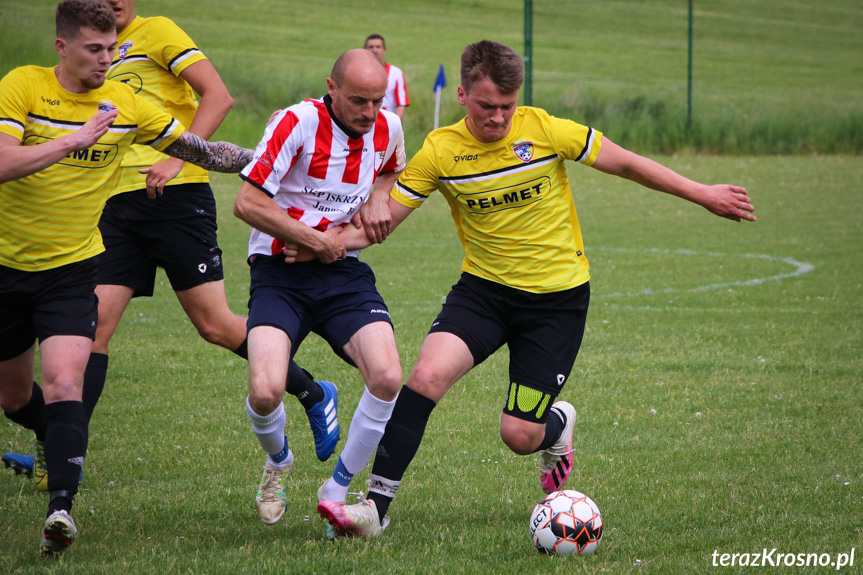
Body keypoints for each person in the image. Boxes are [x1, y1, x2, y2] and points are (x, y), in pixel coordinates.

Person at [316, 39, 757, 537]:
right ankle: (375, 510)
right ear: (461, 95)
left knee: (519, 435)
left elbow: (628, 163)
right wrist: (314, 242)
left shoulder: (545, 130)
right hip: (483, 292)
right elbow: (383, 221)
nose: (498, 118)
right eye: (486, 106)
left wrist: (703, 194)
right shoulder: (440, 150)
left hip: (557, 302)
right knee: (423, 378)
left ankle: (557, 427)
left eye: (507, 106)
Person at [2, 0, 340, 490]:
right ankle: (61, 452)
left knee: (215, 325)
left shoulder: (157, 31)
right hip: (115, 202)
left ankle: (311, 390)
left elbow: (217, 98)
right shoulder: (72, 61)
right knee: (93, 332)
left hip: (175, 197)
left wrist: (182, 162)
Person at [0, 0, 254, 555]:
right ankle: (54, 436)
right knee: (15, 397)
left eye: (113, 48)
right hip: (8, 269)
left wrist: (270, 162)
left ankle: (60, 511)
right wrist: (75, 139)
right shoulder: (22, 86)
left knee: (68, 381)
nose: (107, 60)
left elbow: (200, 150)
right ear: (63, 47)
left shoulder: (126, 102)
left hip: (73, 268)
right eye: (95, 49)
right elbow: (2, 163)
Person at [232, 48, 406, 529]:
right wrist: (314, 241)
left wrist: (378, 193)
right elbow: (246, 203)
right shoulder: (296, 123)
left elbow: (392, 167)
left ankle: (338, 487)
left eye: (376, 100)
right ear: (331, 88)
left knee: (388, 376)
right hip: (278, 272)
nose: (369, 113)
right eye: (357, 101)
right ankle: (278, 463)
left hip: (343, 276)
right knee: (266, 391)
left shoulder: (389, 127)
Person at [364, 34, 410, 120]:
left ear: (384, 50)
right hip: (363, 125)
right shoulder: (357, 72)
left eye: (378, 47)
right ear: (365, 50)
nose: (374, 50)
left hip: (387, 125)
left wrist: (395, 126)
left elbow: (401, 104)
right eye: (371, 47)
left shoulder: (396, 73)